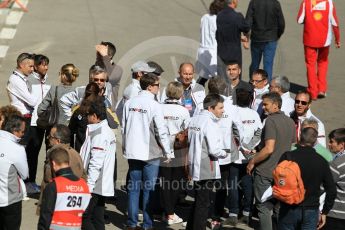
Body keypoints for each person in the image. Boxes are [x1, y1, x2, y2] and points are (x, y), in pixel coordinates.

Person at [122, 74, 173, 230]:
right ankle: (147, 225)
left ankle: (131, 223)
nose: (159, 87)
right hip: (150, 154)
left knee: (134, 188)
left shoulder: (129, 103)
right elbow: (161, 130)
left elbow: (123, 127)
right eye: (157, 85)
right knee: (149, 190)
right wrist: (168, 152)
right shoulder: (154, 105)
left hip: (132, 152)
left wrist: (125, 147)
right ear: (150, 86)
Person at [247, 92, 296, 230]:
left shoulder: (270, 121)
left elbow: (269, 149)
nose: (263, 107)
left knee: (263, 206)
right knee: (279, 207)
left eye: (266, 104)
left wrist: (253, 161)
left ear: (275, 105)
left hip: (266, 171)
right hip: (283, 173)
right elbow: (292, 146)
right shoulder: (291, 122)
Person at [278, 127, 336, 230]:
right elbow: (331, 190)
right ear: (315, 141)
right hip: (311, 209)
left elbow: (276, 180)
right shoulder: (321, 161)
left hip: (289, 207)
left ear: (300, 137)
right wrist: (325, 211)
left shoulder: (288, 156)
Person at [186, 94, 229, 230]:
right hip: (205, 167)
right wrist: (225, 153)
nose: (223, 111)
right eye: (220, 108)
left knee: (199, 200)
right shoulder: (210, 123)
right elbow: (214, 150)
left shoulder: (194, 119)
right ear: (211, 108)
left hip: (195, 164)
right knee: (204, 203)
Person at [206, 77, 243, 229]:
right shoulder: (232, 107)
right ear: (226, 89)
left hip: (208, 153)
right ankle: (217, 217)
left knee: (206, 186)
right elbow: (239, 130)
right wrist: (238, 143)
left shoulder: (205, 105)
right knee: (224, 186)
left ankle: (207, 213)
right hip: (226, 154)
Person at [223, 88, 263, 227]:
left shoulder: (231, 114)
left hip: (235, 155)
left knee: (233, 185)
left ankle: (233, 214)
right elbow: (259, 132)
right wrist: (250, 146)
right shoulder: (255, 114)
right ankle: (247, 213)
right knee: (248, 184)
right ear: (250, 100)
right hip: (250, 156)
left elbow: (232, 134)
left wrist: (242, 147)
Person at [80, 101, 116, 230]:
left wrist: (88, 187)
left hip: (95, 184)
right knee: (98, 216)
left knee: (84, 217)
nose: (86, 117)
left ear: (94, 116)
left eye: (88, 115)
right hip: (99, 183)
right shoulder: (102, 130)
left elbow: (96, 163)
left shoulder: (100, 134)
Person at [36, 124, 87, 215]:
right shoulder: (75, 153)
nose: (47, 138)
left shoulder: (57, 156)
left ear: (58, 140)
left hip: (56, 207)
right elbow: (83, 176)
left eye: (50, 136)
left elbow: (50, 180)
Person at [38, 146, 91, 230]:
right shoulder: (84, 186)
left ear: (53, 164)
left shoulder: (53, 186)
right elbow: (86, 218)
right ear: (68, 163)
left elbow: (45, 218)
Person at [297, 0, 341, 100]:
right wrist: (337, 39)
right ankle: (321, 89)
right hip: (325, 40)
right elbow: (335, 23)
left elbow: (299, 20)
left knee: (310, 65)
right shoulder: (329, 3)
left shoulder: (306, 2)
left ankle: (312, 92)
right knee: (323, 63)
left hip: (309, 39)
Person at [160, 81, 190, 225]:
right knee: (176, 182)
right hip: (178, 149)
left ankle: (167, 212)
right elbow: (187, 130)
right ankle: (170, 213)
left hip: (161, 148)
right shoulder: (184, 111)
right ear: (180, 94)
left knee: (165, 182)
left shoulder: (159, 108)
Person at [25, 54, 51, 193]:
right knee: (31, 153)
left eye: (47, 64)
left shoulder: (48, 82)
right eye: (42, 64)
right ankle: (27, 182)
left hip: (43, 123)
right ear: (35, 66)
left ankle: (32, 181)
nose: (45, 67)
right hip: (32, 123)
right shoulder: (29, 81)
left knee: (37, 152)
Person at [0, 115, 28, 230]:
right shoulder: (17, 149)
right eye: (23, 131)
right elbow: (24, 174)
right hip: (10, 200)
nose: (23, 134)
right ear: (15, 131)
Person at [245, 0, 285, 81]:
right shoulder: (275, 3)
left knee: (255, 63)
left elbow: (248, 22)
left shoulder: (253, 2)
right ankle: (266, 87)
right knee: (268, 65)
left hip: (257, 38)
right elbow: (281, 23)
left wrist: (246, 35)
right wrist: (278, 35)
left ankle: (253, 83)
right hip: (271, 38)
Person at [6, 53, 37, 145]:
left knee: (32, 150)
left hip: (27, 118)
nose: (32, 69)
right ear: (21, 65)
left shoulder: (22, 79)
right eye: (30, 66)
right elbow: (32, 101)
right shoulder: (16, 80)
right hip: (22, 119)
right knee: (23, 149)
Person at [216, 0, 250, 81]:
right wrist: (244, 39)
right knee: (235, 79)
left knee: (222, 80)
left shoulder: (219, 16)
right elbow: (246, 28)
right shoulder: (237, 16)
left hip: (221, 53)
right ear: (233, 2)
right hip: (234, 54)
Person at [195, 0, 225, 86]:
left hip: (202, 50)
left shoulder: (204, 17)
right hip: (213, 51)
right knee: (216, 79)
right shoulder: (218, 19)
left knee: (202, 77)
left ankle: (197, 94)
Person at [69, 83, 101, 152]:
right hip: (96, 149)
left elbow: (70, 130)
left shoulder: (78, 111)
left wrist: (71, 150)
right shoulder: (100, 111)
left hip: (80, 150)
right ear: (98, 94)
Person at [323, 128, 345, 229]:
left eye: (332, 142)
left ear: (342, 145)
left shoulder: (337, 164)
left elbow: (323, 186)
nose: (329, 144)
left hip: (336, 214)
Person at [95, 41, 123, 108]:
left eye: (100, 53)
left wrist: (105, 56)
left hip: (109, 109)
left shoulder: (118, 69)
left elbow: (110, 77)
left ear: (109, 56)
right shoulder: (95, 68)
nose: (97, 55)